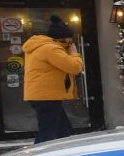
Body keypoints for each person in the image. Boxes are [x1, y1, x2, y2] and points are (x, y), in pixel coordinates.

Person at [23, 14, 85, 143]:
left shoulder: (42, 46)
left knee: (63, 130)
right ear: (62, 38)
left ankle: (65, 153)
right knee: (48, 133)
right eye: (69, 38)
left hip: (43, 95)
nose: (71, 42)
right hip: (46, 96)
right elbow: (75, 67)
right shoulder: (51, 49)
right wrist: (74, 53)